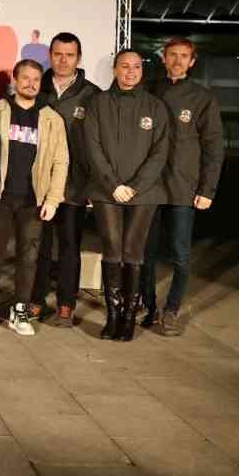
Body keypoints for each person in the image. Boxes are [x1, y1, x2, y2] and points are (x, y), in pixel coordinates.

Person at [0, 59, 69, 336]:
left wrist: (52, 200)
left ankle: (20, 311)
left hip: (33, 200)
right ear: (15, 81)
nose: (30, 84)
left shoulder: (51, 118)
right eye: (25, 78)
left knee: (28, 258)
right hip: (1, 198)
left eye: (36, 79)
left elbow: (61, 162)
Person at [140, 37, 224, 336]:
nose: (177, 61)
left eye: (184, 56)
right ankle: (148, 306)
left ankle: (171, 310)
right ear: (163, 58)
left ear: (192, 61)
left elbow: (214, 147)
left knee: (180, 253)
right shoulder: (148, 90)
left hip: (183, 187)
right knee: (145, 253)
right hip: (149, 186)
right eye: (172, 55)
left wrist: (207, 189)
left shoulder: (202, 98)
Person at [84, 49, 169, 342]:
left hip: (144, 192)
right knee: (112, 248)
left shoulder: (155, 107)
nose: (130, 72)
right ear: (115, 70)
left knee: (133, 251)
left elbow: (160, 151)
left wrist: (135, 185)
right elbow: (93, 147)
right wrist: (113, 185)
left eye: (136, 67)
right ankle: (113, 316)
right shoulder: (98, 104)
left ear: (141, 71)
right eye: (125, 66)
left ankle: (129, 318)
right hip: (106, 190)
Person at [28, 32, 101, 327]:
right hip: (39, 184)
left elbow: (98, 144)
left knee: (70, 246)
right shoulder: (37, 87)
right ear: (50, 55)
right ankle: (35, 300)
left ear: (78, 58)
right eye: (58, 54)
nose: (63, 60)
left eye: (69, 55)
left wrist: (93, 184)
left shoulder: (92, 94)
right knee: (40, 246)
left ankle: (66, 304)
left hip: (74, 186)